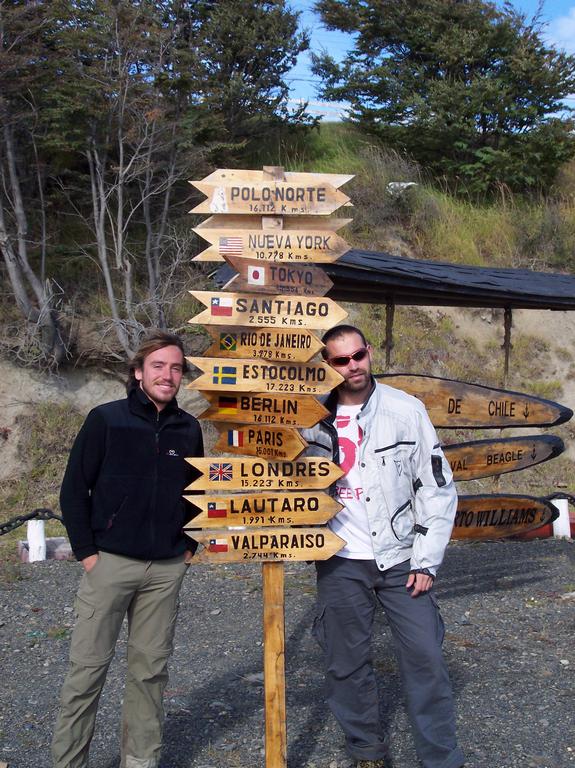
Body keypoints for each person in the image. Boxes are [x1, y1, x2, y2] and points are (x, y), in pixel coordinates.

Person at [302, 324, 464, 768]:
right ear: (328, 364)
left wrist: (426, 562)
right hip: (339, 558)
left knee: (426, 657)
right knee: (345, 663)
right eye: (341, 360)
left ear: (369, 352)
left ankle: (441, 758)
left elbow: (436, 487)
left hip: (401, 558)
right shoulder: (309, 416)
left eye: (358, 355)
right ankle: (367, 751)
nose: (353, 366)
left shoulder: (404, 409)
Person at [52, 330, 204, 768]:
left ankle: (140, 761)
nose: (167, 375)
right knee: (86, 673)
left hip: (166, 569)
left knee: (150, 674)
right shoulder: (106, 420)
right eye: (158, 366)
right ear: (138, 372)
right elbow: (74, 489)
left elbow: (196, 493)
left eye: (175, 368)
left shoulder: (188, 428)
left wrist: (188, 546)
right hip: (110, 564)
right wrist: (88, 553)